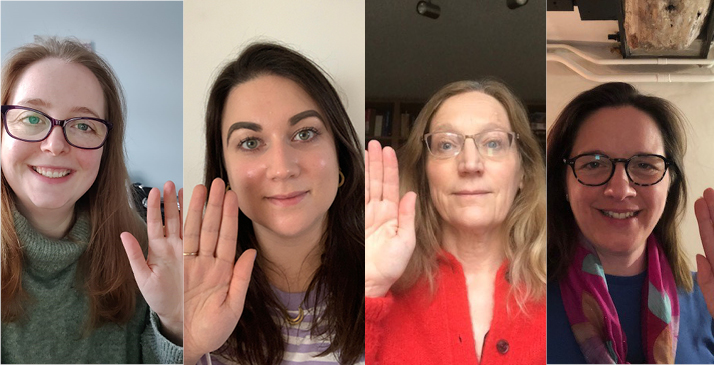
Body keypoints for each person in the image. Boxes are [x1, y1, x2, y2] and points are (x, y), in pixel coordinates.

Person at [0, 38, 183, 363]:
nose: (55, 146)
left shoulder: (145, 257)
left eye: (83, 125)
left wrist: (176, 322)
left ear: (106, 148)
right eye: (31, 118)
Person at [183, 43, 365, 365]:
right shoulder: (187, 290)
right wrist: (187, 344)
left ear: (339, 154)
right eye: (250, 143)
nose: (282, 168)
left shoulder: (385, 277)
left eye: (305, 134)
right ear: (225, 171)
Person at [365, 79, 547, 364]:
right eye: (447, 144)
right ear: (425, 172)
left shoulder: (563, 289)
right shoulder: (379, 283)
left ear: (523, 172)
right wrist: (369, 288)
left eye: (494, 143)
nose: (470, 163)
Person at [546, 82, 714, 364]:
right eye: (594, 163)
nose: (620, 190)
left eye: (645, 165)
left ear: (670, 183)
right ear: (564, 184)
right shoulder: (525, 300)